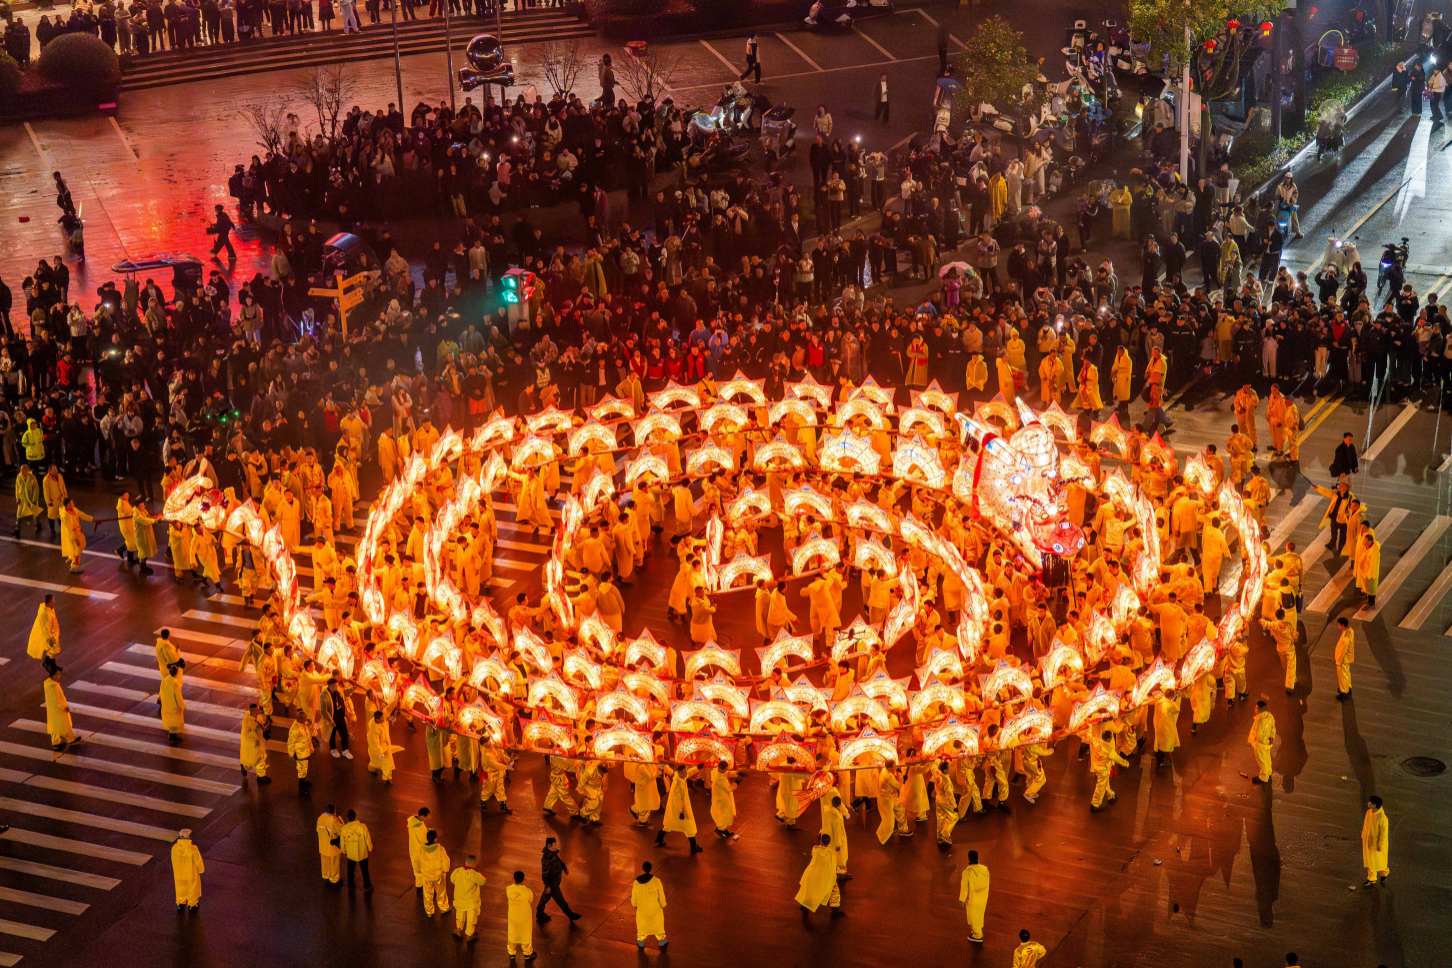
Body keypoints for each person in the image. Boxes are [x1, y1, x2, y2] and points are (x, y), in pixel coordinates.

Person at [655, 766, 703, 852]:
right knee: (690, 826)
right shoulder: (677, 785)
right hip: (680, 811)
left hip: (676, 811)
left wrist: (697, 768)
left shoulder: (680, 777)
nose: (686, 773)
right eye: (684, 772)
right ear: (680, 773)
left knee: (669, 825)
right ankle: (693, 846)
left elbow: (689, 772)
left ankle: (660, 836)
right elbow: (677, 801)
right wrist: (680, 812)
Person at [795, 833, 841, 915]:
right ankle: (835, 909)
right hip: (827, 875)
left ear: (820, 840)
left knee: (809, 888)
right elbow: (834, 865)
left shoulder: (815, 850)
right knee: (834, 890)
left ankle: (805, 904)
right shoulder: (832, 854)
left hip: (815, 874)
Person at [536, 836, 580, 922]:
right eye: (554, 844)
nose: (556, 845)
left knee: (545, 897)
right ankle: (570, 915)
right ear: (550, 846)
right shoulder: (546, 859)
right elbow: (545, 874)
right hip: (553, 884)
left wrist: (564, 868)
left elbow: (559, 861)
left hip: (554, 882)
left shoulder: (553, 854)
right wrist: (547, 886)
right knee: (560, 900)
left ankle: (539, 912)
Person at [630, 860, 668, 949]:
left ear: (643, 869)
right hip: (655, 908)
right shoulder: (656, 881)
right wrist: (663, 904)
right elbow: (661, 895)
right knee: (658, 925)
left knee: (642, 926)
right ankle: (661, 940)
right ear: (650, 869)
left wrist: (635, 904)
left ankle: (640, 940)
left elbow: (634, 896)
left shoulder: (637, 882)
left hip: (642, 909)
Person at [450, 854, 487, 940]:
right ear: (474, 863)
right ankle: (469, 935)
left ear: (466, 861)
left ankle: (459, 929)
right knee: (471, 919)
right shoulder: (475, 875)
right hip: (471, 902)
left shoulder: (457, 871)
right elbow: (482, 881)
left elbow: (452, 879)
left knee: (459, 916)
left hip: (460, 900)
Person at [43, 665, 79, 749]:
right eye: (57, 674)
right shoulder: (53, 686)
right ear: (53, 675)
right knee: (64, 724)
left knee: (56, 726)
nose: (59, 676)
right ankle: (71, 738)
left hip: (53, 709)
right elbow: (57, 699)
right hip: (58, 709)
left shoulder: (48, 683)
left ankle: (56, 741)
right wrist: (64, 707)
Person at [418, 829, 452, 916]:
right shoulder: (440, 849)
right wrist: (445, 870)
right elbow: (445, 861)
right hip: (438, 875)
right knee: (441, 892)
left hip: (426, 876)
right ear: (435, 839)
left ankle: (429, 911)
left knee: (428, 894)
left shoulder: (422, 849)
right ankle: (443, 907)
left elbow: (419, 861)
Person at [170, 828, 204, 912]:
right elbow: (198, 861)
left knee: (180, 888)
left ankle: (180, 903)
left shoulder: (174, 848)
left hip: (179, 873)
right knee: (192, 889)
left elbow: (172, 859)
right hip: (191, 873)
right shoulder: (192, 849)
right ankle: (192, 904)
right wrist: (201, 870)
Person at [506, 870, 537, 961]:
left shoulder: (509, 889)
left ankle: (512, 952)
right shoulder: (527, 891)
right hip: (524, 917)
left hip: (513, 916)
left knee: (512, 934)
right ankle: (527, 953)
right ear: (523, 879)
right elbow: (530, 900)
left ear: (514, 878)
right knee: (525, 935)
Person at [959, 850, 989, 943]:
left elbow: (964, 888)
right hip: (983, 898)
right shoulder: (984, 869)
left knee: (973, 917)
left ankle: (977, 935)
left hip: (973, 899)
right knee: (979, 916)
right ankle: (978, 932)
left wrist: (962, 899)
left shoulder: (967, 872)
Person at [340, 809, 373, 891]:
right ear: (355, 816)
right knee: (365, 870)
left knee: (350, 871)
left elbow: (342, 842)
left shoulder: (344, 829)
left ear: (347, 817)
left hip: (351, 854)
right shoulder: (362, 826)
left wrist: (344, 851)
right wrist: (370, 848)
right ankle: (367, 885)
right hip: (362, 852)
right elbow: (367, 838)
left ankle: (351, 885)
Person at [27, 595, 60, 674]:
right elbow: (46, 628)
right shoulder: (45, 613)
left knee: (52, 650)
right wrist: (49, 638)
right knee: (55, 650)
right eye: (53, 599)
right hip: (51, 635)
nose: (54, 601)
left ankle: (52, 665)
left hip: (54, 633)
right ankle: (46, 663)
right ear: (50, 601)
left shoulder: (50, 609)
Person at [1361, 795, 1389, 886]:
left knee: (1378, 861)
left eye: (1370, 802)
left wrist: (1380, 845)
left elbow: (1383, 834)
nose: (1368, 803)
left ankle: (1384, 873)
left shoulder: (1382, 818)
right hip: (1368, 841)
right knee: (1370, 861)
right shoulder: (1368, 813)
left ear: (1375, 804)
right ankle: (1371, 878)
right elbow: (1365, 825)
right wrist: (1363, 835)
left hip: (1377, 844)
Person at [1247, 699, 1276, 783]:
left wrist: (1254, 742)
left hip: (1260, 744)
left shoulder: (1260, 720)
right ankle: (1268, 772)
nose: (1254, 709)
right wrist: (1271, 738)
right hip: (1268, 742)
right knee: (1267, 758)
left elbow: (1258, 733)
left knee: (1261, 761)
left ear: (1259, 709)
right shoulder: (1270, 716)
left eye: (1256, 707)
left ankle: (1263, 777)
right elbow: (1273, 729)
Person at [407, 806, 433, 895]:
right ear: (423, 816)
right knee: (419, 871)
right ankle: (420, 889)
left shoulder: (414, 821)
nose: (428, 818)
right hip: (418, 852)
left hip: (414, 849)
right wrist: (431, 836)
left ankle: (420, 888)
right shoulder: (418, 826)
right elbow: (424, 839)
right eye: (428, 816)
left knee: (418, 870)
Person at [161, 661, 186, 744]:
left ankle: (172, 736)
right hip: (174, 707)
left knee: (170, 722)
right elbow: (178, 697)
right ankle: (172, 737)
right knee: (174, 722)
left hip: (166, 705)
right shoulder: (175, 684)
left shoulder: (164, 681)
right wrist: (182, 706)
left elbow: (162, 692)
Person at [316, 805, 343, 885]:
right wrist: (340, 820)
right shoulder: (333, 821)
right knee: (334, 863)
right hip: (332, 847)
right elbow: (341, 831)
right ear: (333, 812)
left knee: (325, 862)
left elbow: (318, 830)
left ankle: (326, 876)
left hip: (323, 846)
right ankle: (334, 879)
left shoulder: (320, 818)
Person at [14, 463, 42, 537]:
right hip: (22, 499)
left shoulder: (32, 478)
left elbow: (36, 489)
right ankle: (17, 530)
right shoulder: (19, 477)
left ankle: (38, 524)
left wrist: (34, 499)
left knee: (34, 512)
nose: (22, 472)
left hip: (30, 499)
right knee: (19, 514)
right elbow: (17, 488)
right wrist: (17, 498)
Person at [1334, 616, 1355, 698]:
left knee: (1342, 677)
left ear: (1342, 625)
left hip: (1343, 660)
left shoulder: (1345, 639)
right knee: (1347, 674)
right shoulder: (1350, 631)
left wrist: (1338, 661)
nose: (1338, 626)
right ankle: (1348, 687)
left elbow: (1342, 651)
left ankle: (1344, 692)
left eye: (1338, 624)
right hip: (1347, 659)